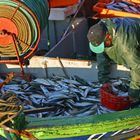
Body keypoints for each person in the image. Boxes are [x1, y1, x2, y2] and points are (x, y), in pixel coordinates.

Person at [87, 18, 140, 103]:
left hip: (133, 37)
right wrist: (103, 80)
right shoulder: (99, 29)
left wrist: (133, 93)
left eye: (103, 44)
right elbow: (101, 54)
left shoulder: (125, 46)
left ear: (108, 36)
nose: (103, 47)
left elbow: (137, 67)